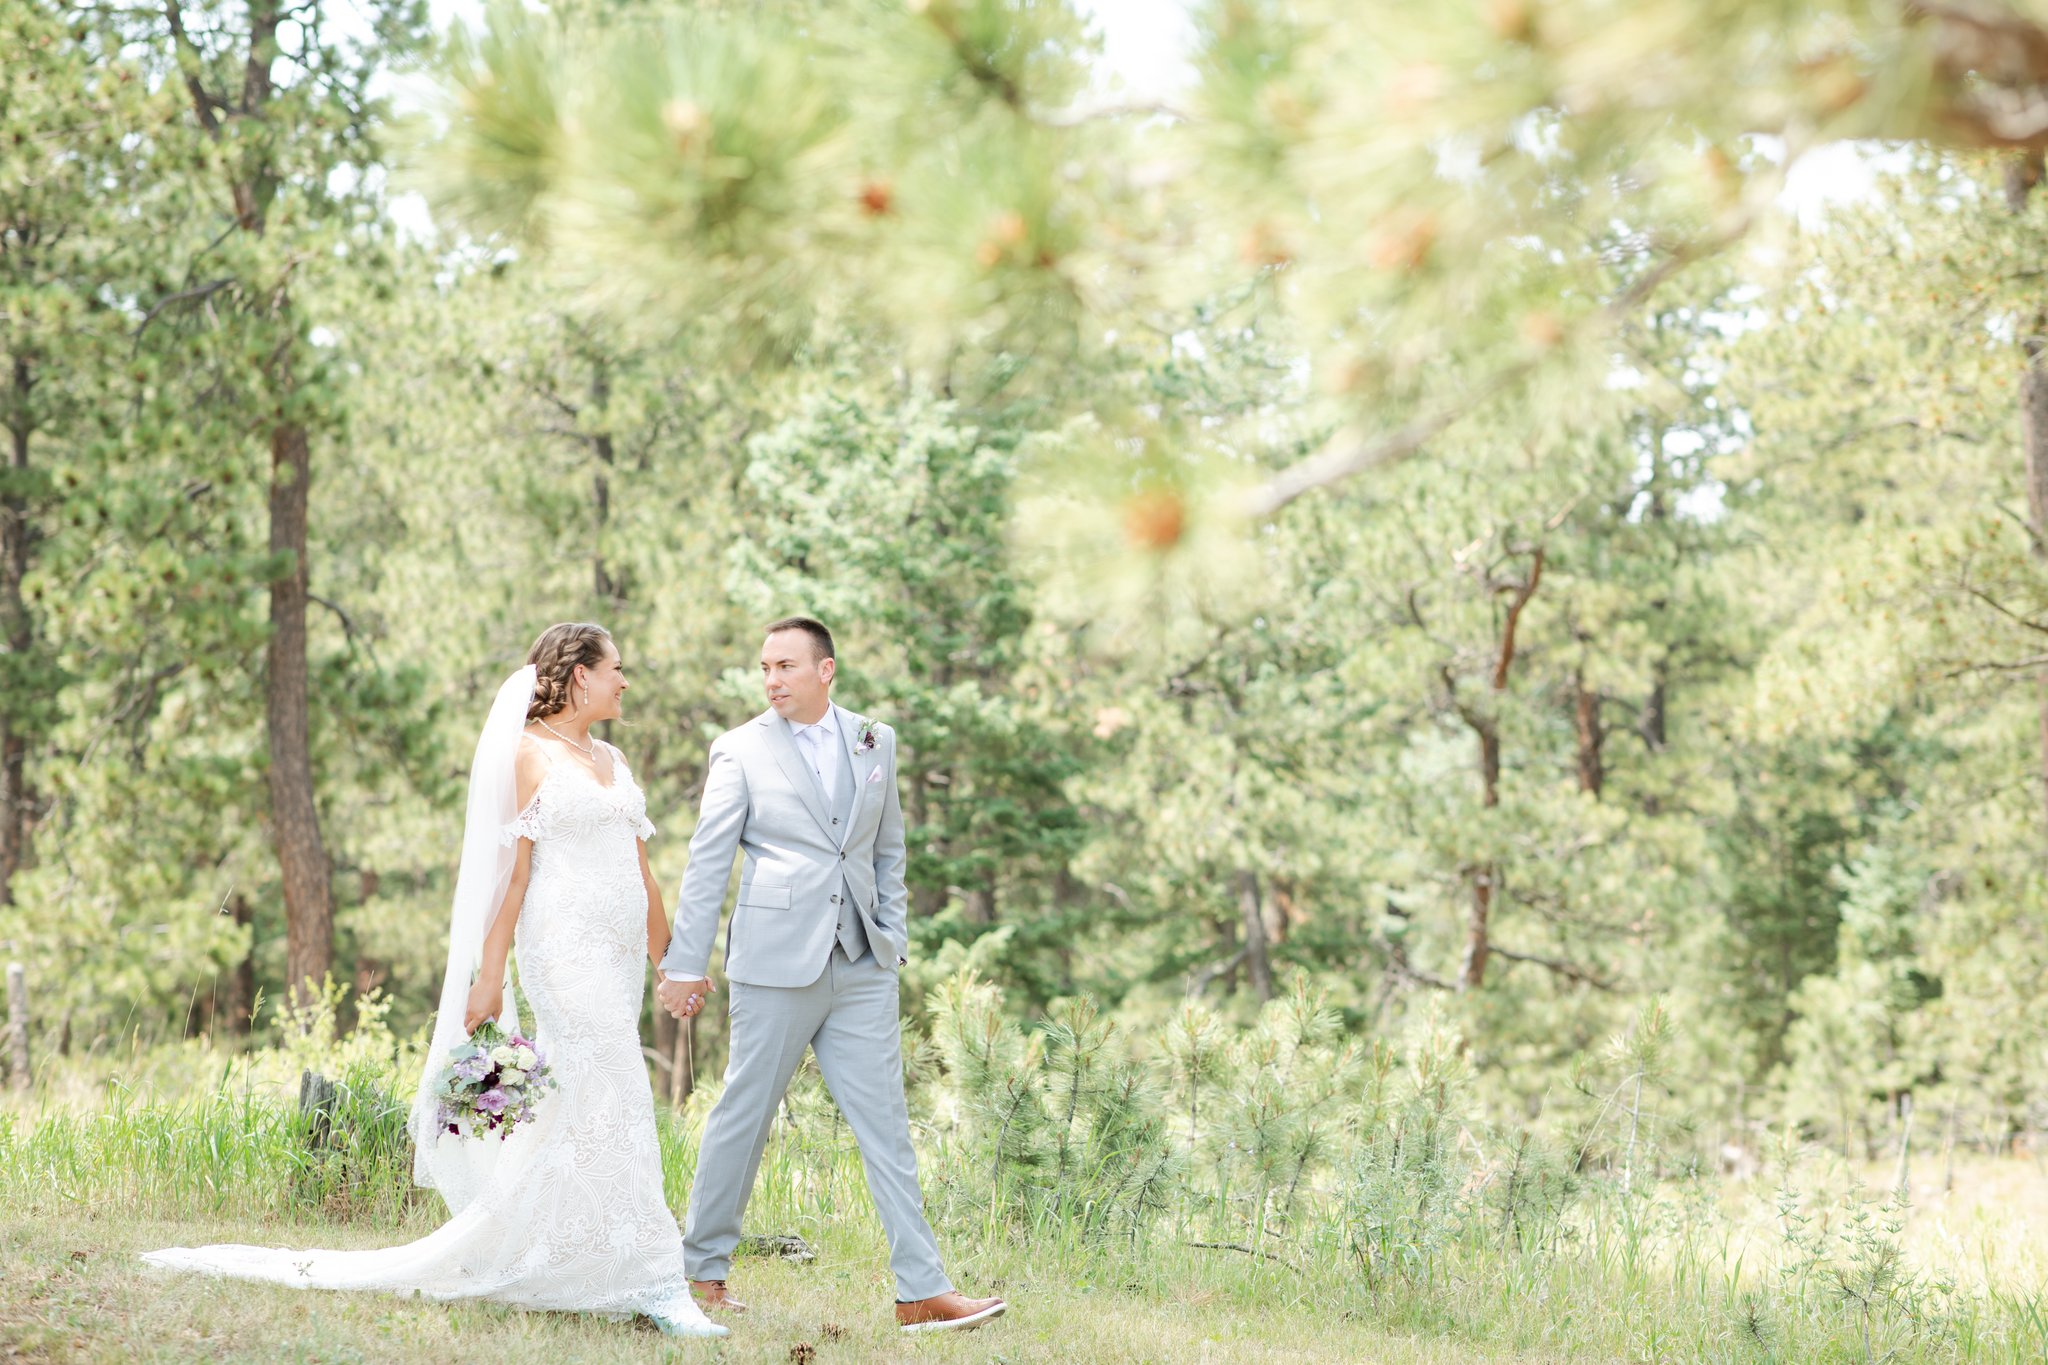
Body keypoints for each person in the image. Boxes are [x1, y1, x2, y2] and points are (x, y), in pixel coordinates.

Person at [143, 624, 723, 1339]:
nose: (624, 682)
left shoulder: (613, 756)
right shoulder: (528, 755)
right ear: (579, 677)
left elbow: (642, 871)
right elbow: (512, 880)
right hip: (562, 947)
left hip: (615, 955)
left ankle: (574, 1251)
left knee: (594, 1098)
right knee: (619, 1084)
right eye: (616, 670)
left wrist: (671, 960)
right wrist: (490, 976)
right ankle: (657, 1274)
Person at [656, 615, 1008, 1335]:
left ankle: (921, 1291)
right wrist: (685, 963)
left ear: (827, 670)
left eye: (786, 665)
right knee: (743, 1115)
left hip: (861, 964)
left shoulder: (877, 740)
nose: (771, 679)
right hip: (775, 963)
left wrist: (893, 938)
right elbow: (708, 862)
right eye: (765, 667)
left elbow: (889, 850)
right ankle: (701, 1271)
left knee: (887, 1128)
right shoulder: (741, 749)